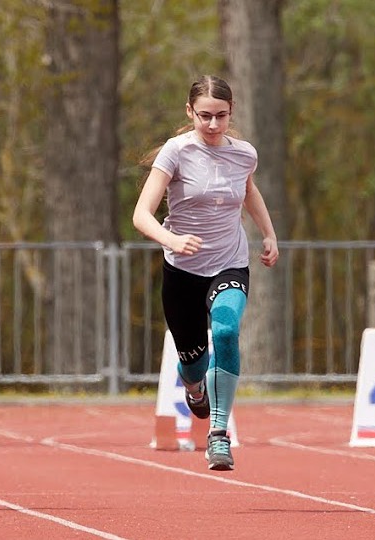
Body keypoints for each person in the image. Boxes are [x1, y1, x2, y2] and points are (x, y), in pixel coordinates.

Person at [131, 75, 279, 472]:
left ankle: (218, 435)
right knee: (193, 363)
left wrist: (268, 233)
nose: (213, 126)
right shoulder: (175, 152)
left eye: (221, 117)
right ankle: (195, 389)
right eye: (204, 117)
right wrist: (171, 240)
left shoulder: (244, 153)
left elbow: (248, 191)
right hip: (182, 270)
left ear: (232, 114)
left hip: (230, 261)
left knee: (228, 330)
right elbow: (141, 214)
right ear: (189, 112)